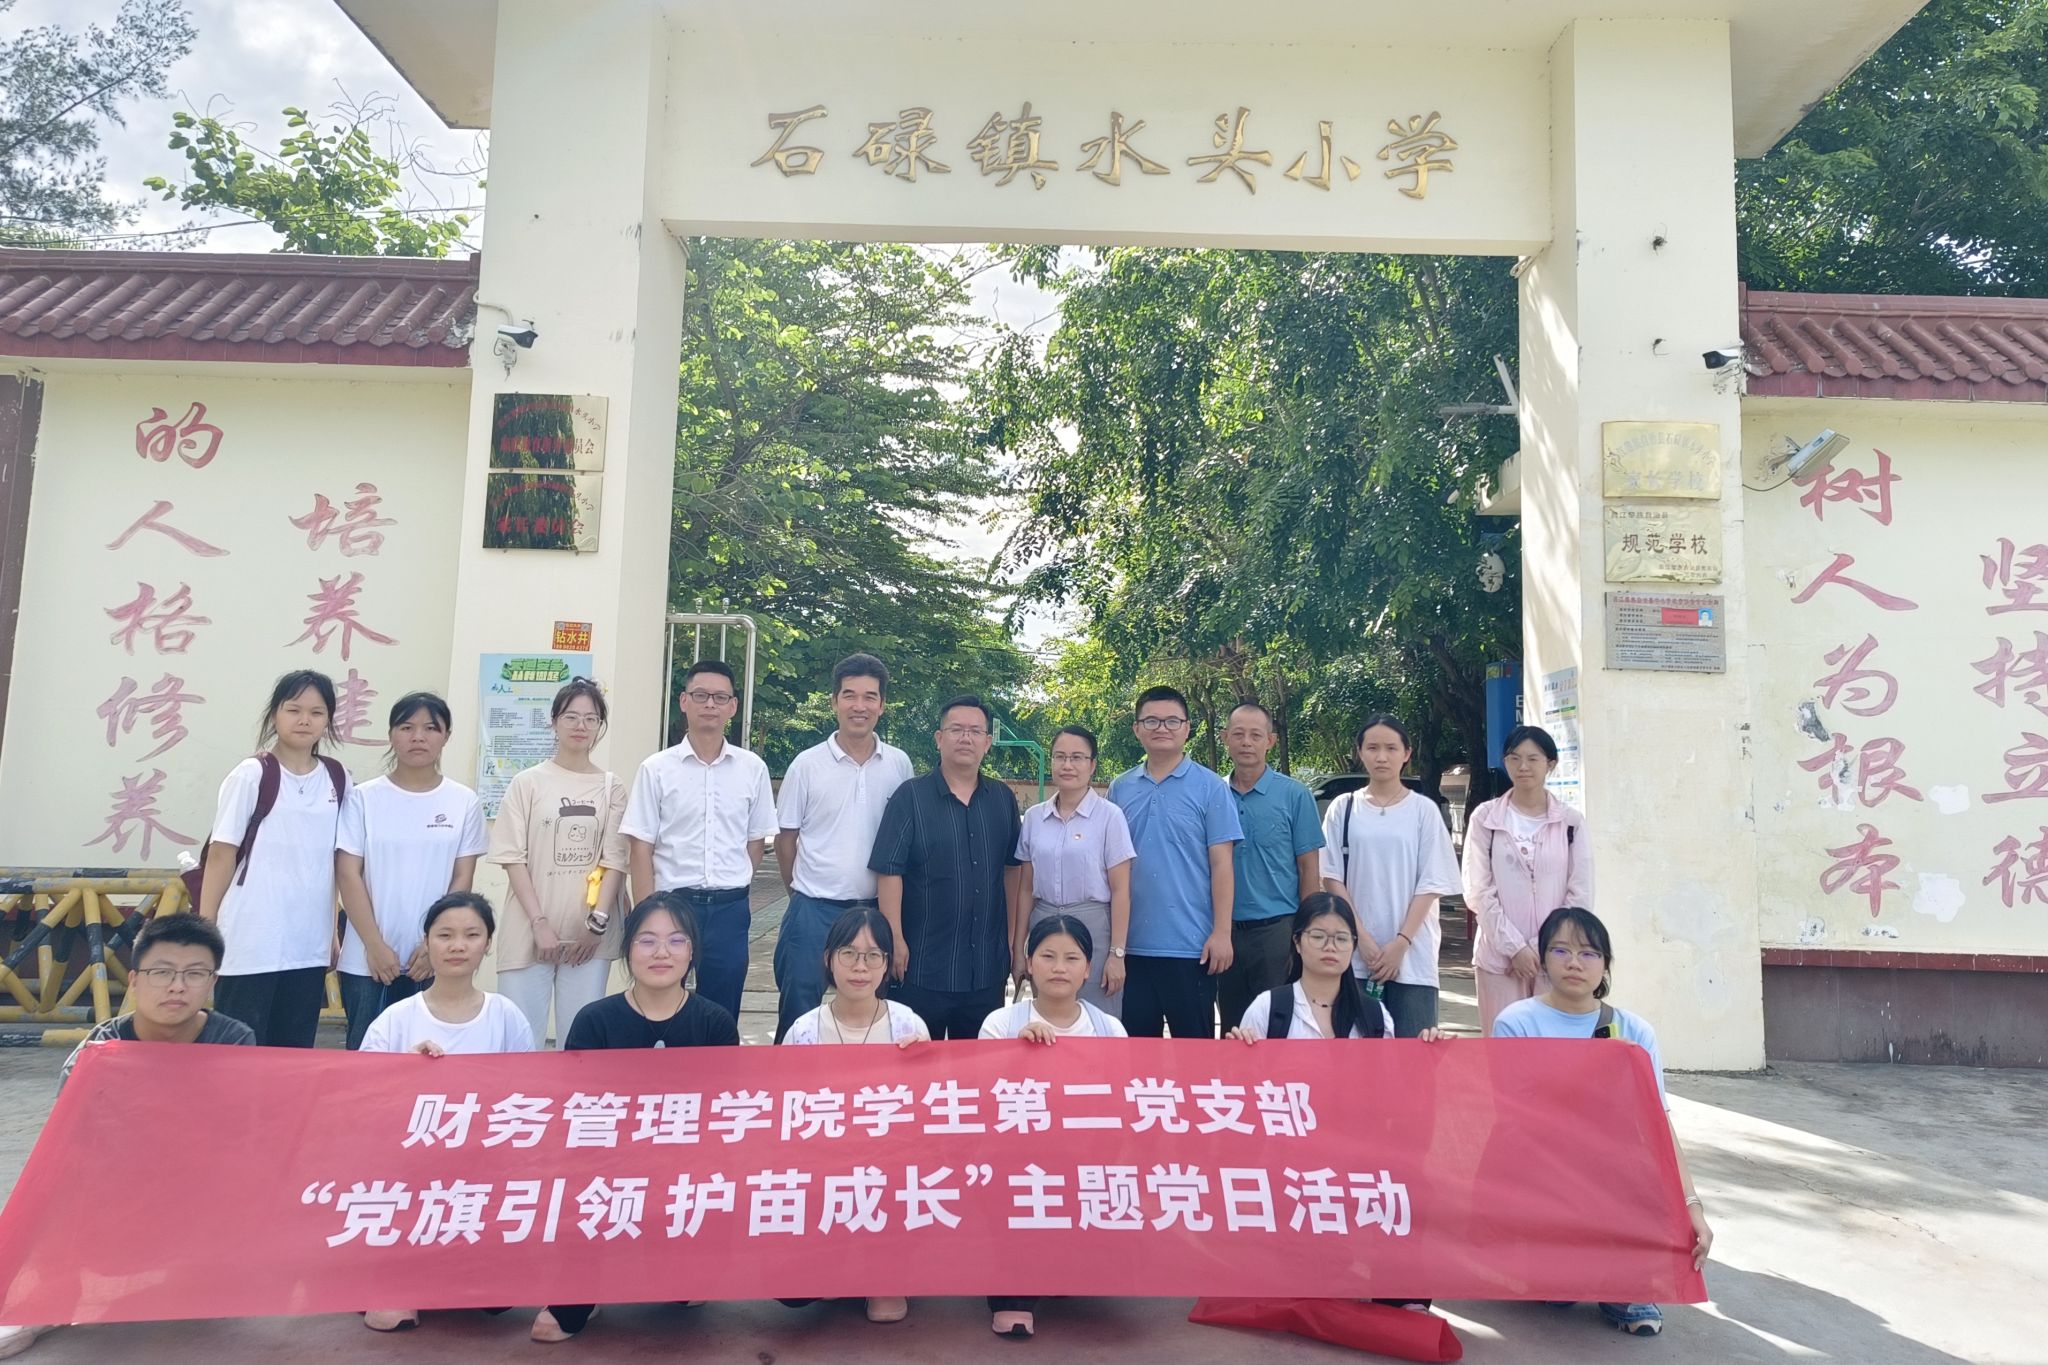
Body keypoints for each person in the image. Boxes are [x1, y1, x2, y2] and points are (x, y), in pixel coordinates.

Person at [1, 915, 256, 1360]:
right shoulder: (100, 1050)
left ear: (212, 982)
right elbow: (71, 1140)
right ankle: (48, 1301)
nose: (177, 987)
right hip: (121, 1189)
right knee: (56, 1175)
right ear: (135, 979)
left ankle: (199, 1272)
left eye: (194, 974)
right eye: (162, 972)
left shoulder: (232, 1040)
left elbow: (239, 1139)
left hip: (197, 1187)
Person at [1493, 906, 1714, 1337]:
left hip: (1615, 1172)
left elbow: (1659, 1124)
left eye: (1589, 953)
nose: (1574, 962)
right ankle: (1559, 1266)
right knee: (1555, 1291)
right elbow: (1511, 1121)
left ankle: (1625, 1285)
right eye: (1561, 950)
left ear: (1605, 964)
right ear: (1543, 959)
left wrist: (1691, 1206)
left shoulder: (1635, 1031)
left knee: (1641, 1167)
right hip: (1543, 1171)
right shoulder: (1516, 1023)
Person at [536, 893, 741, 1343]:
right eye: (647, 941)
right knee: (554, 1325)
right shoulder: (595, 1020)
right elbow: (577, 1118)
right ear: (628, 950)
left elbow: (724, 1118)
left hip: (683, 1174)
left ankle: (681, 1262)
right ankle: (582, 1284)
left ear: (692, 951)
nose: (661, 952)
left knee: (686, 1292)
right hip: (607, 1172)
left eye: (676, 940)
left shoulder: (715, 1023)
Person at [357, 892, 533, 1333]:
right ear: (427, 942)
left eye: (472, 935)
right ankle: (392, 1275)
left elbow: (529, 1099)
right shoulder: (395, 1020)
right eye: (445, 935)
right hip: (407, 1174)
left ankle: (463, 1267)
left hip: (481, 1174)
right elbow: (359, 1102)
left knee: (496, 1300)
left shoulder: (506, 1016)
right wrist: (403, 1074)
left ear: (487, 944)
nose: (457, 946)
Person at [978, 914, 1128, 1341]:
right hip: (1018, 1159)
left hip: (1086, 1158)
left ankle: (1070, 1268)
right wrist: (1016, 1055)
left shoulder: (1108, 1029)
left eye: (1071, 958)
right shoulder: (1001, 1024)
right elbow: (983, 1105)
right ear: (1029, 963)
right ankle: (1012, 1295)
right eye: (1047, 956)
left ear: (1087, 968)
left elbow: (1122, 1105)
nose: (1059, 968)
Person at [780, 905, 928, 1325]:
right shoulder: (803, 1031)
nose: (860, 967)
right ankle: (834, 1261)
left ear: (887, 964)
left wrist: (924, 1064)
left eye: (873, 955)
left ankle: (887, 1272)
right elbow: (786, 1118)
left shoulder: (908, 1026)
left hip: (890, 1169)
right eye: (849, 953)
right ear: (829, 958)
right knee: (792, 1290)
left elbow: (926, 1118)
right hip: (824, 1169)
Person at [199, 670, 350, 1048]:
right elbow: (221, 855)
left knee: (292, 1055)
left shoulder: (337, 778)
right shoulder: (251, 774)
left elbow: (334, 862)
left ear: (328, 720)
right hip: (249, 941)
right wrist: (205, 931)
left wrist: (332, 932)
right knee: (240, 1051)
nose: (304, 720)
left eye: (316, 712)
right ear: (274, 715)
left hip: (307, 946)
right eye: (293, 709)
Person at [620, 660, 777, 1023]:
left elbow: (756, 842)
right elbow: (640, 847)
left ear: (733, 707)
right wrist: (647, 914)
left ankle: (717, 1063)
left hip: (729, 910)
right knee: (658, 1001)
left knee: (722, 1011)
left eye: (720, 697)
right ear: (683, 701)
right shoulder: (656, 769)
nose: (710, 704)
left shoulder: (752, 768)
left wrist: (731, 879)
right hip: (672, 905)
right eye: (701, 695)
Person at [772, 654, 913, 1041]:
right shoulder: (806, 765)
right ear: (834, 701)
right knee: (799, 1015)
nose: (859, 706)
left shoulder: (899, 765)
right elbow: (786, 840)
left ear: (882, 705)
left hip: (877, 911)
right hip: (813, 910)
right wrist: (799, 893)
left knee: (876, 1020)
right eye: (849, 695)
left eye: (870, 697)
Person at [335, 693, 488, 1051]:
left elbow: (461, 881)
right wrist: (374, 945)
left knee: (432, 1057)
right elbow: (348, 874)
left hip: (431, 960)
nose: (418, 737)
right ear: (391, 734)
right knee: (367, 1058)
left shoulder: (463, 801)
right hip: (367, 960)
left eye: (430, 728)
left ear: (446, 736)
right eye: (407, 727)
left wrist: (433, 946)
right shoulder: (362, 798)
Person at [869, 695, 1022, 1040]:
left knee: (979, 1064)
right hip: (921, 966)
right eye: (956, 729)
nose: (965, 738)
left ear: (987, 742)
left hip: (986, 968)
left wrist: (1012, 940)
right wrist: (894, 938)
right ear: (939, 738)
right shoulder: (910, 797)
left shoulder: (1002, 799)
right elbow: (889, 871)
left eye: (975, 731)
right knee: (917, 1061)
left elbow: (1013, 869)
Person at [487, 677, 629, 1047]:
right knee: (520, 1040)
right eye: (571, 717)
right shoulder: (527, 783)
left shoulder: (611, 787)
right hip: (529, 929)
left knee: (581, 1042)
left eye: (591, 718)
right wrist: (539, 923)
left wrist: (596, 924)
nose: (581, 726)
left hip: (588, 937)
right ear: (553, 721)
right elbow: (513, 858)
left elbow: (615, 860)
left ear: (600, 726)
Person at [1107, 685, 1241, 1039]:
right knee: (1135, 1053)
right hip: (1131, 946)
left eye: (1171, 721)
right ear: (1137, 729)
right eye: (1151, 721)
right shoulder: (1120, 788)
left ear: (1187, 728)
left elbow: (1222, 865)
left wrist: (1222, 933)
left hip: (1192, 947)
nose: (1161, 728)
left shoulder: (1211, 788)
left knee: (1195, 1054)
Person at [1319, 715, 1461, 1039]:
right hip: (1354, 955)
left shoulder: (1423, 810)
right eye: (1372, 748)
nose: (1381, 757)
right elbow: (1331, 877)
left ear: (1406, 753)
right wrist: (1362, 940)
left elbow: (1431, 883)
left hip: (1413, 958)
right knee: (1353, 1054)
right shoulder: (1343, 808)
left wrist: (1401, 944)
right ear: (1360, 752)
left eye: (1391, 748)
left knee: (1415, 1054)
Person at [1464, 725, 1592, 1034]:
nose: (1523, 766)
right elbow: (1478, 890)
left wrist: (1540, 946)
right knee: (1503, 1047)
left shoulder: (1570, 822)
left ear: (1550, 764)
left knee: (1553, 1048)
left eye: (1533, 759)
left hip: (1556, 957)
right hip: (1499, 960)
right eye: (1514, 758)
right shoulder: (1485, 818)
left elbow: (1580, 894)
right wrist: (1515, 948)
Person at [1011, 724, 1134, 1016]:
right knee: (1048, 1018)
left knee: (1096, 1018)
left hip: (1094, 928)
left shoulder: (1110, 817)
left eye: (1077, 758)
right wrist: (1018, 950)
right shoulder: (1034, 818)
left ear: (1092, 765)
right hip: (1044, 928)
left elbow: (1121, 891)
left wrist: (1117, 954)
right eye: (1060, 757)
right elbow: (1025, 889)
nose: (1067, 765)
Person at [1216, 702, 1325, 1031]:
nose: (1246, 742)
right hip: (1223, 932)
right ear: (1225, 738)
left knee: (1279, 1025)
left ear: (1271, 741)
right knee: (1233, 1028)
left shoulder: (1295, 795)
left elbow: (1308, 869)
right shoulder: (1212, 793)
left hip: (1278, 931)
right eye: (1238, 734)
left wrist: (1304, 933)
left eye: (1255, 735)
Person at [1223, 893, 1399, 1042]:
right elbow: (1247, 1072)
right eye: (1318, 936)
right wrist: (1240, 1053)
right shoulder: (1266, 1008)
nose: (1330, 947)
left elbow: (1388, 1071)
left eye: (1341, 938)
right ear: (1297, 942)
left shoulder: (1375, 1015)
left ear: (1353, 946)